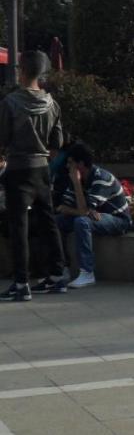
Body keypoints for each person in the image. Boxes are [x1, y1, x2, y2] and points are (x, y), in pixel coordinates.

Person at [1, 51, 67, 302]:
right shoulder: (52, 104)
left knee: (19, 226)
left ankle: (21, 282)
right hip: (42, 169)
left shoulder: (10, 103)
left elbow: (2, 138)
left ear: (22, 71)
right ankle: (57, 275)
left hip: (18, 167)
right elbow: (57, 141)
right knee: (48, 221)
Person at [55, 141, 130, 289]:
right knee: (56, 222)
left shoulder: (102, 178)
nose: (67, 166)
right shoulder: (77, 178)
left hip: (117, 220)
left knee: (81, 222)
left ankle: (87, 272)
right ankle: (62, 268)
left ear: (81, 164)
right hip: (94, 218)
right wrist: (81, 211)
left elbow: (82, 212)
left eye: (70, 163)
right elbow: (63, 208)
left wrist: (76, 184)